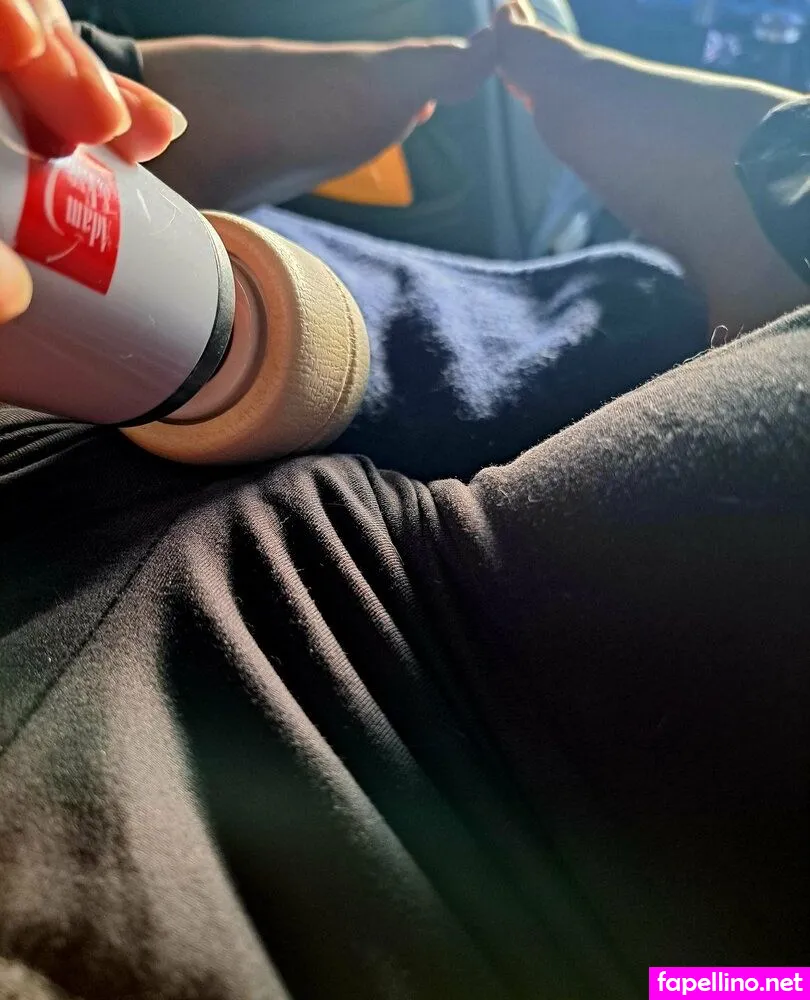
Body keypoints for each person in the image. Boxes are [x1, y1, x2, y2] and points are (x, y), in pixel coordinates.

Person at [0, 3, 808, 999]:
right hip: (497, 767)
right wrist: (734, 983)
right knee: (622, 319)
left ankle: (112, 118)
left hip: (147, 460)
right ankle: (772, 200)